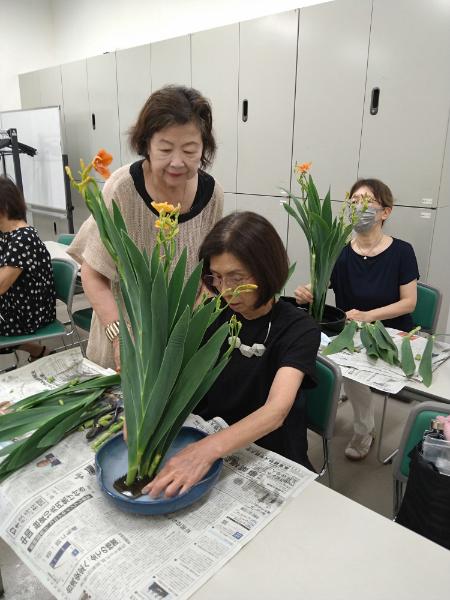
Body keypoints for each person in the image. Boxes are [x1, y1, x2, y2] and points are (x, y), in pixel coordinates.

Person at [143, 211, 320, 498]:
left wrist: (205, 451)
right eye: (217, 278)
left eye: (237, 278)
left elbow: (276, 412)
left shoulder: (298, 329)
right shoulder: (213, 315)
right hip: (211, 437)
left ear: (267, 270)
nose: (226, 291)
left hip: (267, 451)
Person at [68, 85, 224, 370]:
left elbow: (210, 274)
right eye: (165, 149)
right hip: (123, 339)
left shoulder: (212, 195)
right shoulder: (123, 189)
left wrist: (192, 327)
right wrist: (120, 339)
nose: (177, 162)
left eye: (190, 150)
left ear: (204, 148)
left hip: (178, 344)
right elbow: (93, 274)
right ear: (146, 145)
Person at [295, 178, 419, 460]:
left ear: (385, 212)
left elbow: (409, 302)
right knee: (334, 360)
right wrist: (308, 292)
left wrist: (368, 316)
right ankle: (358, 419)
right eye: (353, 202)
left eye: (367, 202)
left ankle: (363, 428)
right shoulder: (339, 250)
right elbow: (320, 283)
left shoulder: (402, 251)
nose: (358, 208)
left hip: (390, 332)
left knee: (354, 370)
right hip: (350, 332)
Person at [0, 177, 56, 361]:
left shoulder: (23, 238)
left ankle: (38, 351)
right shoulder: (5, 233)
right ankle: (38, 351)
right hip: (14, 304)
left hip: (28, 312)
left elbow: (1, 285)